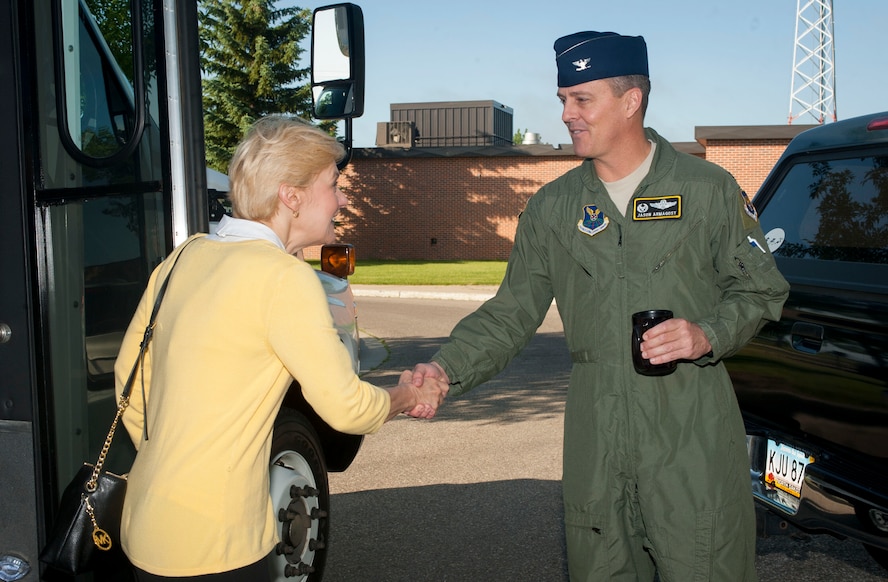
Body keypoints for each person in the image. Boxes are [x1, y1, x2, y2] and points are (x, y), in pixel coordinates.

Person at [412, 31, 789, 581]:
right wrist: (446, 369)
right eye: (563, 98)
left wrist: (706, 334)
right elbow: (511, 312)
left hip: (690, 428)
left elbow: (762, 289)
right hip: (596, 430)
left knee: (706, 564)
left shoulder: (706, 190)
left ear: (630, 101)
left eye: (581, 99)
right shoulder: (553, 208)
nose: (566, 113)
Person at [114, 115, 448, 581]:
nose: (343, 199)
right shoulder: (283, 278)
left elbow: (130, 385)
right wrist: (409, 395)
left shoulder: (184, 256)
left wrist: (179, 464)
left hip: (146, 526)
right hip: (216, 545)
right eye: (333, 185)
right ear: (291, 196)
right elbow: (347, 408)